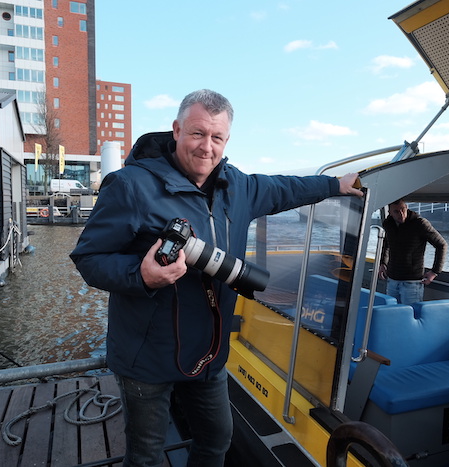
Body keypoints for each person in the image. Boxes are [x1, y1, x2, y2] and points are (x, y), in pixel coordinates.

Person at [70, 89, 363, 467]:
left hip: (208, 353)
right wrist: (140, 275)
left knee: (216, 442)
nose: (206, 147)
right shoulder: (130, 186)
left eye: (217, 137)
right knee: (145, 456)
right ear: (176, 130)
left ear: (226, 140)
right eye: (197, 133)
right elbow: (88, 258)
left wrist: (335, 186)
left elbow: (287, 188)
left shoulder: (237, 186)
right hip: (145, 355)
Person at [378, 199, 447, 304]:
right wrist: (382, 263)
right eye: (396, 211)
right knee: (392, 314)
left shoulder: (420, 224)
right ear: (390, 213)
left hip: (412, 282)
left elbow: (442, 245)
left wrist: (434, 272)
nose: (401, 214)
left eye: (403, 209)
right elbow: (386, 244)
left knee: (410, 315)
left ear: (406, 207)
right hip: (392, 279)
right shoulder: (388, 224)